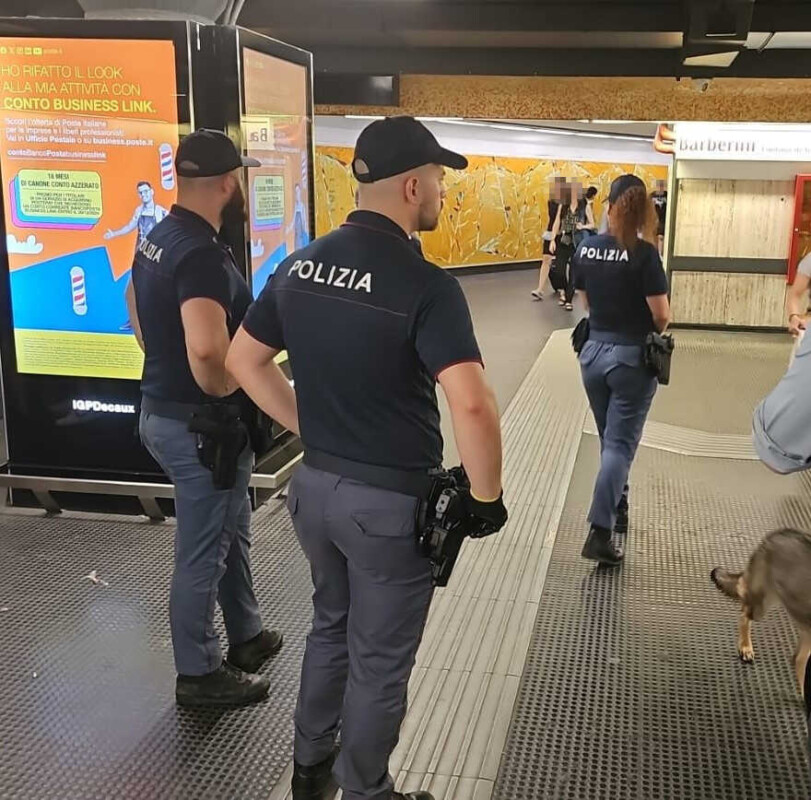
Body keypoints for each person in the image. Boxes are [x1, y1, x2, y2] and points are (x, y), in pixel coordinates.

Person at [226, 116, 508, 800]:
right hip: (386, 509)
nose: (441, 191)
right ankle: (366, 790)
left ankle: (308, 766)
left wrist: (310, 425)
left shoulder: (300, 264)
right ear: (412, 185)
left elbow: (243, 359)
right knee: (379, 661)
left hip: (314, 490)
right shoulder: (426, 286)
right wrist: (485, 498)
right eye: (439, 179)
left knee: (331, 624)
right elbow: (470, 404)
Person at [127, 129, 284, 707]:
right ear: (227, 183)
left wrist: (161, 364)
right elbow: (206, 354)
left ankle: (245, 635)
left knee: (229, 526)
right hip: (201, 429)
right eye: (238, 177)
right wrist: (232, 386)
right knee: (203, 550)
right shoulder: (199, 255)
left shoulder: (160, 236)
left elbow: (135, 306)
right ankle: (199, 672)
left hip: (163, 411)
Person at [572, 174, 670, 566]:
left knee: (608, 436)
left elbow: (585, 299)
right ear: (644, 210)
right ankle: (599, 531)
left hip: (592, 352)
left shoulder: (587, 248)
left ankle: (618, 504)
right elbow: (661, 316)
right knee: (619, 444)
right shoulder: (644, 254)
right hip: (631, 357)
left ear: (610, 206)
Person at [105, 181, 169, 249]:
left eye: (145, 191)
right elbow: (129, 227)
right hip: (140, 249)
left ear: (152, 192)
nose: (143, 195)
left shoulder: (161, 211)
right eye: (140, 193)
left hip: (154, 252)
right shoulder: (139, 210)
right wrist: (114, 234)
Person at [549, 181, 581, 311]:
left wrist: (583, 226)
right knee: (559, 270)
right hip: (563, 240)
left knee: (574, 272)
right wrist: (552, 239)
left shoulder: (583, 206)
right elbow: (557, 221)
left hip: (577, 241)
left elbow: (591, 223)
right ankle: (563, 290)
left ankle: (568, 299)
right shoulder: (564, 205)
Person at [532, 176, 564, 301]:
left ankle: (564, 288)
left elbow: (561, 219)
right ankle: (540, 289)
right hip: (551, 231)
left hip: (562, 233)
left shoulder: (565, 203)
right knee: (546, 258)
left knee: (562, 261)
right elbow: (552, 219)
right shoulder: (551, 202)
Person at [650, 178, 668, 255]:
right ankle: (656, 253)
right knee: (654, 238)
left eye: (661, 185)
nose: (660, 187)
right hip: (654, 220)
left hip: (663, 219)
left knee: (661, 237)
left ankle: (660, 254)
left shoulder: (667, 195)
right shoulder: (651, 196)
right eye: (658, 185)